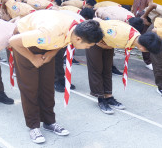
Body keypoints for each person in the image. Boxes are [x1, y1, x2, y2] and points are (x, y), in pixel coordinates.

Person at [9, 10, 104, 144]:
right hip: (25, 43)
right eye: (88, 46)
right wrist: (32, 57)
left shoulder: (78, 27)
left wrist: (52, 53)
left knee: (47, 87)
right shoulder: (50, 32)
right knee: (30, 87)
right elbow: (13, 41)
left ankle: (49, 122)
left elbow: (64, 40)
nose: (88, 48)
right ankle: (33, 126)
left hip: (48, 43)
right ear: (78, 39)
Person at [88, 20, 162, 114]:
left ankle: (108, 96)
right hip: (94, 41)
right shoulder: (119, 34)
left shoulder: (136, 37)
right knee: (97, 70)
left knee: (107, 70)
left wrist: (108, 46)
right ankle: (101, 99)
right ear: (143, 48)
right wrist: (98, 43)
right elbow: (97, 25)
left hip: (108, 43)